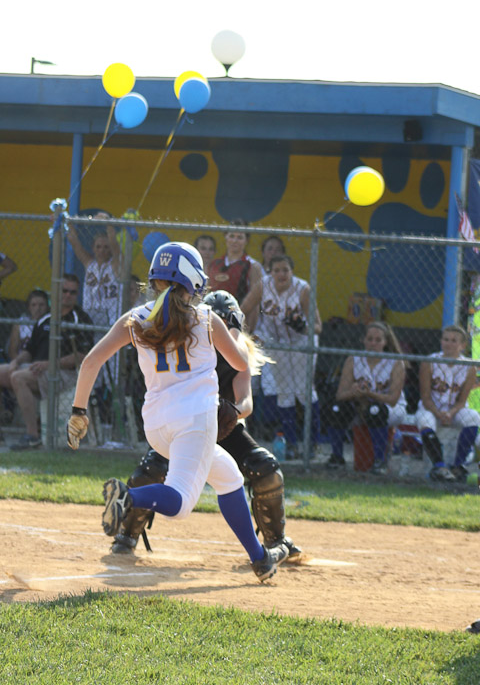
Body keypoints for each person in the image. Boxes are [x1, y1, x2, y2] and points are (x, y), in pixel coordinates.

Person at [66, 242, 289, 582]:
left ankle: (260, 559)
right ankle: (128, 497)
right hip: (195, 421)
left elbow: (91, 361)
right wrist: (232, 332)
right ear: (194, 281)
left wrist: (79, 411)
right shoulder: (206, 318)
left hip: (156, 426)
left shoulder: (135, 318)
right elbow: (241, 363)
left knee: (229, 476)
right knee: (181, 504)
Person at [109, 289, 302, 561]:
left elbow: (246, 402)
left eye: (226, 323)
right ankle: (126, 534)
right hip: (188, 424)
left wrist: (231, 412)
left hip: (224, 426)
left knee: (265, 467)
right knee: (152, 469)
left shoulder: (239, 352)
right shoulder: (189, 342)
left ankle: (275, 541)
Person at [241, 254, 323, 459]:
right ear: (270, 271)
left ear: (291, 271)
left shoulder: (302, 289)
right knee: (284, 393)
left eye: (285, 270)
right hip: (277, 344)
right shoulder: (263, 285)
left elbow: (318, 327)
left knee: (304, 392)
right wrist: (243, 331)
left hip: (302, 343)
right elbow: (244, 309)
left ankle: (312, 444)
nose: (281, 274)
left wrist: (302, 326)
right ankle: (291, 444)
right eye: (276, 270)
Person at [6, 274, 93, 450]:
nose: (68, 295)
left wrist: (49, 364)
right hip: (36, 368)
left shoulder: (81, 319)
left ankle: (32, 436)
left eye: (72, 292)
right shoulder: (46, 318)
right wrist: (16, 361)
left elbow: (82, 356)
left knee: (18, 378)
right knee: (7, 372)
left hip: (65, 374)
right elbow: (29, 350)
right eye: (64, 291)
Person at [324, 321, 407, 474]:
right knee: (335, 409)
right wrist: (354, 392)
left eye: (378, 340)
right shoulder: (354, 359)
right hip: (360, 405)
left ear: (385, 342)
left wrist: (369, 394)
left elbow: (393, 399)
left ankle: (380, 461)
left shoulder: (395, 362)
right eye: (369, 339)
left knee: (375, 411)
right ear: (363, 340)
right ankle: (337, 457)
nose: (373, 343)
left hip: (392, 409)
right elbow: (340, 394)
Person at [415, 324, 480, 482]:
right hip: (431, 409)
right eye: (445, 339)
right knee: (424, 420)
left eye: (453, 340)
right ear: (441, 341)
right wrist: (439, 414)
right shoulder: (429, 361)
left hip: (455, 411)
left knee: (473, 416)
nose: (448, 343)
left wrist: (450, 413)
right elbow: (425, 397)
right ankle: (439, 466)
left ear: (463, 345)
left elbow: (462, 400)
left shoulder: (470, 366)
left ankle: (458, 466)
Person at [0, 289, 49, 424]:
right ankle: (3, 413)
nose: (37, 308)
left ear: (47, 306)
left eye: (41, 305)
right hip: (22, 363)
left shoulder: (49, 324)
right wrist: (16, 363)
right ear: (28, 307)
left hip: (41, 366)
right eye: (34, 305)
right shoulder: (21, 323)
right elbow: (12, 350)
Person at [66, 213, 122, 328]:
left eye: (106, 247)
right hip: (89, 314)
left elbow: (115, 246)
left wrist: (108, 223)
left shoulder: (115, 264)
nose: (102, 250)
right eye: (98, 246)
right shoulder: (90, 264)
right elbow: (74, 243)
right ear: (93, 248)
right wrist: (69, 222)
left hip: (110, 316)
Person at [208, 220, 262, 308]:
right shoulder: (214, 264)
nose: (235, 241)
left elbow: (255, 302)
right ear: (226, 237)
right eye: (231, 236)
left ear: (246, 240)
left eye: (240, 237)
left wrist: (239, 314)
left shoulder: (253, 265)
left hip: (240, 312)